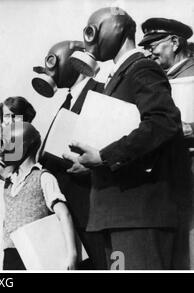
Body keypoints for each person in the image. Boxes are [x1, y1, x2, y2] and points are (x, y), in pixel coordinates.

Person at [66, 7, 191, 269]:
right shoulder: (121, 75)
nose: (91, 39)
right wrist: (91, 163)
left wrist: (103, 156)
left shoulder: (141, 68)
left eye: (93, 30)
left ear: (117, 30)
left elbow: (162, 122)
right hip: (120, 214)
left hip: (139, 214)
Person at [33, 40, 106, 269]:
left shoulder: (101, 93)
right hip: (70, 211)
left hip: (89, 210)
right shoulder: (68, 99)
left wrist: (94, 167)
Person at [139, 17, 194, 269]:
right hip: (166, 183)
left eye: (154, 45)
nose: (149, 52)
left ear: (174, 42)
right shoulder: (156, 79)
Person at [1, 122, 78, 270]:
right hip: (11, 252)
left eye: (10, 142)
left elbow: (64, 214)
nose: (4, 149)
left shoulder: (43, 177)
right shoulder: (9, 182)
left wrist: (72, 253)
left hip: (36, 251)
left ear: (24, 145)